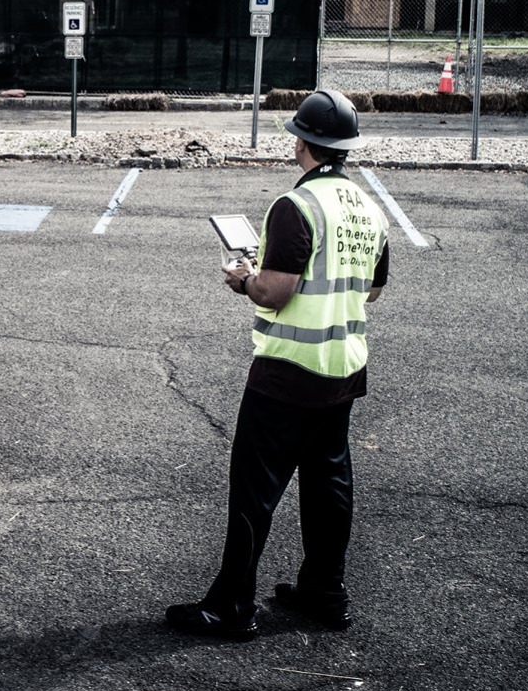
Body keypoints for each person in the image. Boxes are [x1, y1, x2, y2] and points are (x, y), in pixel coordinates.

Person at [167, 89, 391, 640]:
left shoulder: (297, 207)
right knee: (328, 483)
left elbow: (274, 291)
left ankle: (230, 606)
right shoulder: (369, 208)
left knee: (255, 489)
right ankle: (324, 590)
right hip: (344, 368)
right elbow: (375, 290)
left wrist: (243, 278)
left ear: (303, 142)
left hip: (289, 370)